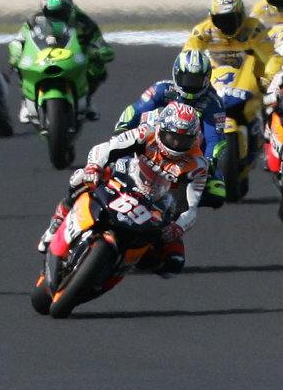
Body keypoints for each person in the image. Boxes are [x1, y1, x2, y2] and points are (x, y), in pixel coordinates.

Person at [37, 103, 209, 277]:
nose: (177, 144)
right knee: (80, 178)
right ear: (161, 129)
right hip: (124, 178)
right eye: (172, 137)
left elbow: (191, 208)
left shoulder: (198, 165)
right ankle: (57, 223)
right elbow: (105, 148)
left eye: (184, 140)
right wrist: (94, 167)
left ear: (195, 139)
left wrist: (177, 227)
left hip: (156, 204)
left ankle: (124, 263)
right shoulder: (146, 133)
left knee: (174, 264)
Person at [115, 48, 228, 205]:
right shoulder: (162, 89)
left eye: (197, 80)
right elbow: (135, 110)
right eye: (188, 79)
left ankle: (183, 197)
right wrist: (122, 129)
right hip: (155, 140)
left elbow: (214, 138)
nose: (192, 85)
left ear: (207, 78)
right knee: (116, 162)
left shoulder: (213, 102)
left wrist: (209, 161)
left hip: (189, 149)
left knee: (217, 193)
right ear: (177, 74)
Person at [14, 0, 114, 123]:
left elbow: (100, 43)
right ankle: (25, 101)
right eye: (51, 12)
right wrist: (16, 53)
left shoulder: (83, 21)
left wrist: (99, 52)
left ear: (69, 8)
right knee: (20, 64)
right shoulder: (34, 21)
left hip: (75, 56)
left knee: (99, 68)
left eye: (61, 11)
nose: (56, 16)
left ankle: (87, 99)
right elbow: (19, 40)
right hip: (44, 54)